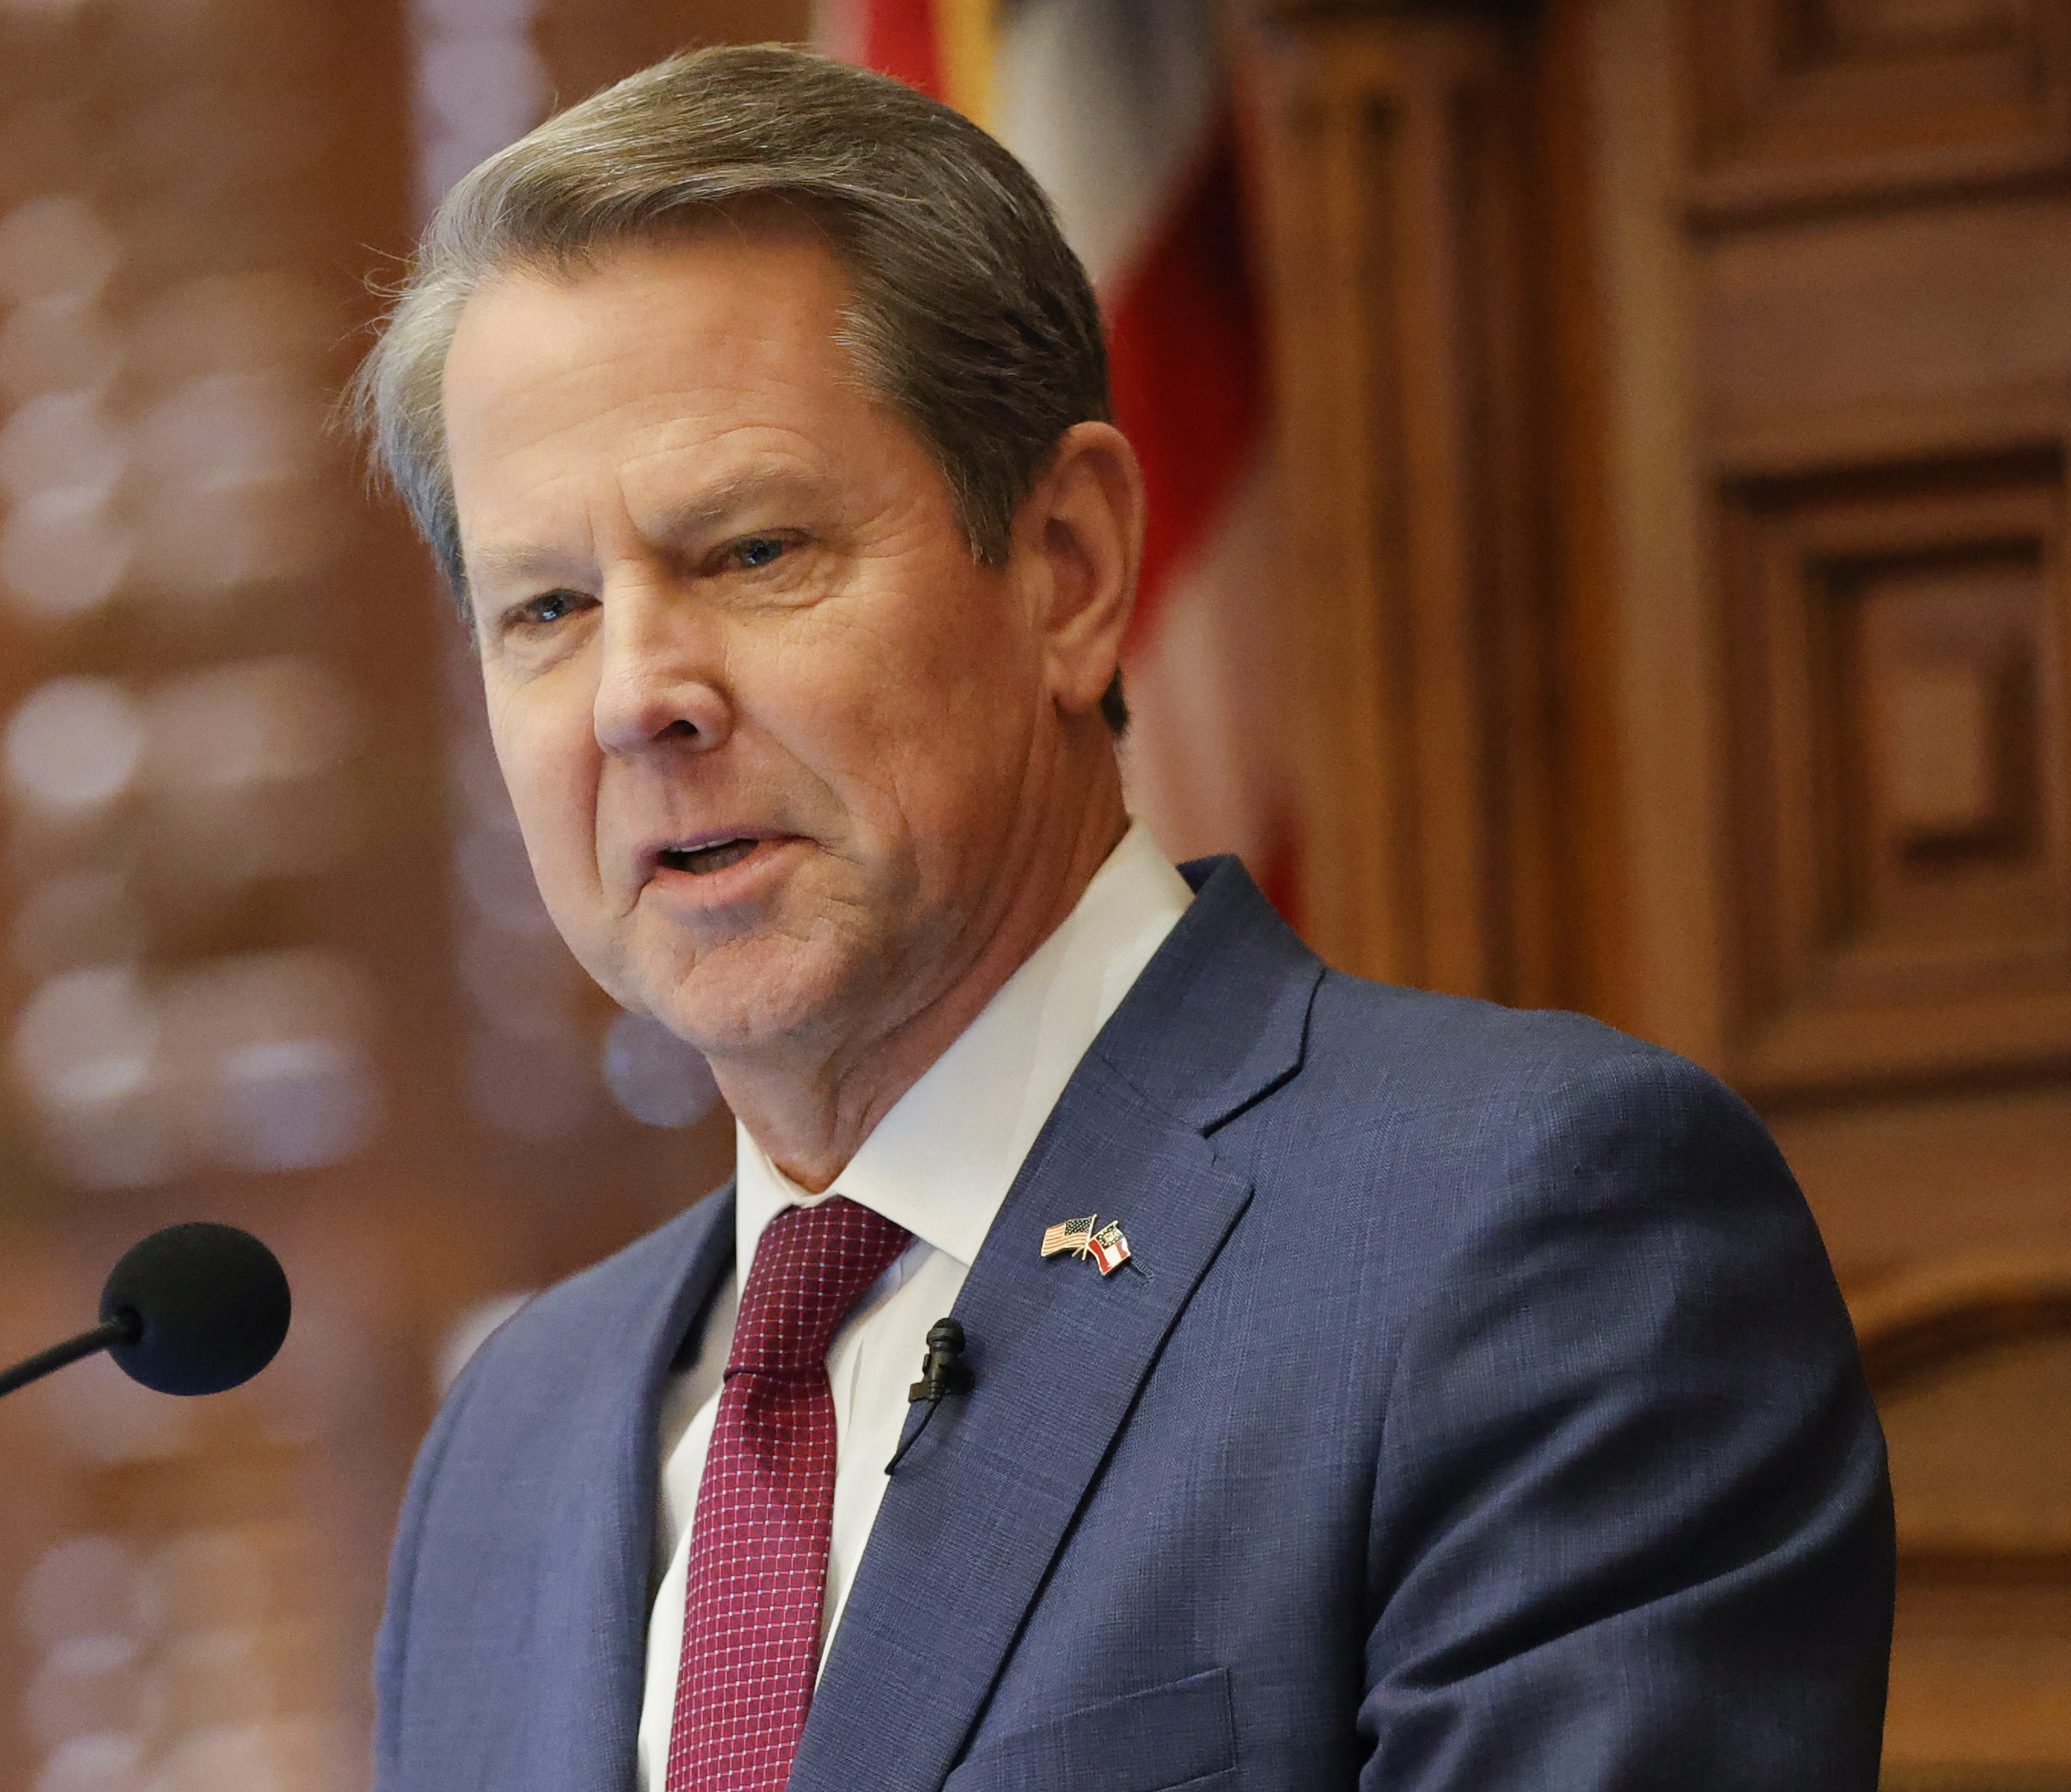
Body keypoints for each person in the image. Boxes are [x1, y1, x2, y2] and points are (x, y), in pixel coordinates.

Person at [354, 44, 1892, 1792]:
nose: (640, 694)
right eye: (543, 606)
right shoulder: (510, 1445)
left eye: (753, 552)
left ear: (1069, 570)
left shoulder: (1527, 1238)